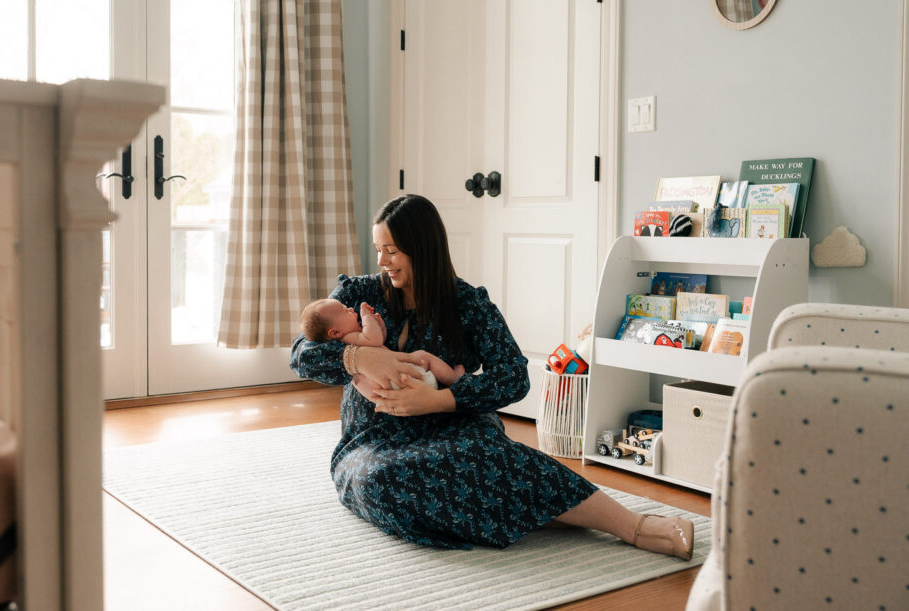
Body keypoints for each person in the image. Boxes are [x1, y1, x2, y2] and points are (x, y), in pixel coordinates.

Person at [290, 194, 694, 558]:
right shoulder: (360, 295)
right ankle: (540, 511)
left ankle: (633, 527)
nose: (381, 261)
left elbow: (515, 376)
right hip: (376, 442)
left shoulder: (466, 303)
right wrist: (359, 358)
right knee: (377, 482)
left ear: (422, 249)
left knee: (486, 457)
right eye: (379, 250)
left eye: (392, 251)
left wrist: (443, 399)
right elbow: (302, 354)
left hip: (453, 431)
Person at [299, 298, 464, 388]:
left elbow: (379, 340)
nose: (351, 309)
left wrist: (379, 326)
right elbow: (375, 340)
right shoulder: (350, 339)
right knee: (422, 356)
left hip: (399, 382)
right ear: (335, 332)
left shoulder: (355, 338)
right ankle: (453, 380)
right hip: (397, 379)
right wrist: (365, 316)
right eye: (344, 310)